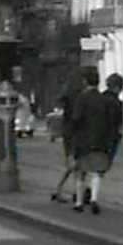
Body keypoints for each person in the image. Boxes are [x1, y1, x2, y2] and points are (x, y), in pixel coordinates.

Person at [71, 72, 123, 214]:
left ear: (85, 81)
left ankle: (79, 202)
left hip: (83, 140)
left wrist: (73, 136)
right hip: (100, 140)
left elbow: (76, 119)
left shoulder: (82, 98)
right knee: (96, 172)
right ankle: (94, 199)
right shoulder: (103, 100)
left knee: (81, 172)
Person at [51, 70, 92, 203]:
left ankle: (69, 191)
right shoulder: (80, 96)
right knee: (76, 164)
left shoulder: (67, 95)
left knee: (72, 163)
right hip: (78, 132)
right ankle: (72, 191)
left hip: (68, 131)